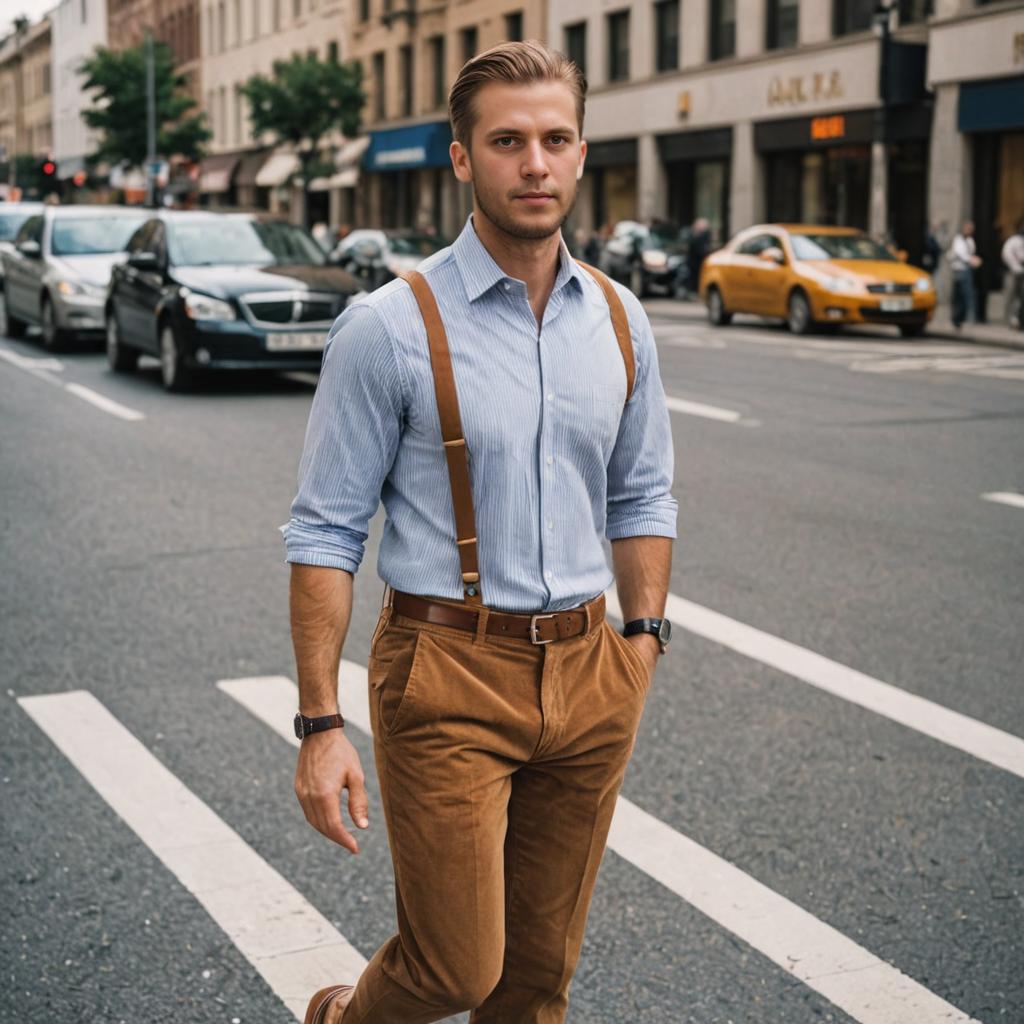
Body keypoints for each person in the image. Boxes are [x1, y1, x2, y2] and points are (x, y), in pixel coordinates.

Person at [283, 40, 677, 1024]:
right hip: (446, 665)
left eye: (554, 139)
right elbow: (325, 531)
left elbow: (642, 495)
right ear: (462, 159)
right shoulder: (387, 326)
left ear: (582, 153)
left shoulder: (621, 321)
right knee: (455, 966)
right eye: (506, 141)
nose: (534, 163)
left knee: (536, 980)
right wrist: (321, 724)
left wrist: (641, 641)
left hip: (591, 667)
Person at [948, 220, 982, 330]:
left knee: (965, 295)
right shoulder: (958, 240)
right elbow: (961, 254)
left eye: (971, 229)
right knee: (960, 295)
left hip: (967, 270)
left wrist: (973, 260)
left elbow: (970, 253)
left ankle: (962, 318)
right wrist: (972, 260)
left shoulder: (970, 241)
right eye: (968, 228)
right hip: (959, 270)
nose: (969, 231)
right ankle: (957, 319)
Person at [1000, 220, 1024, 330]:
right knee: (1010, 296)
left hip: (1020, 273)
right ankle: (1008, 320)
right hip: (1013, 272)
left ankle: (1016, 320)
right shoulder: (1014, 240)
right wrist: (1014, 266)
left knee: (1019, 298)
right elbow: (1006, 254)